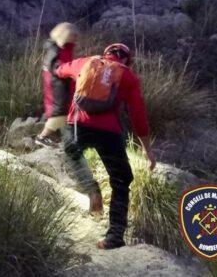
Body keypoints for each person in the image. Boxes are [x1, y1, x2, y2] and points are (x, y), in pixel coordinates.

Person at [56, 43, 156, 250]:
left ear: (105, 54)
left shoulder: (85, 63)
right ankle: (114, 237)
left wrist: (65, 52)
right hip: (109, 133)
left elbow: (61, 69)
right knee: (121, 180)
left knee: (71, 152)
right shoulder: (128, 77)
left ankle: (92, 189)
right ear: (127, 60)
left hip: (78, 126)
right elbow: (138, 116)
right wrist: (147, 151)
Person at [35, 22, 80, 147]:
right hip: (58, 84)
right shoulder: (57, 50)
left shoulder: (61, 48)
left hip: (59, 83)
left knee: (64, 110)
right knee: (60, 110)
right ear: (66, 35)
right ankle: (42, 137)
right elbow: (58, 69)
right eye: (74, 35)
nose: (76, 38)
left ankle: (67, 139)